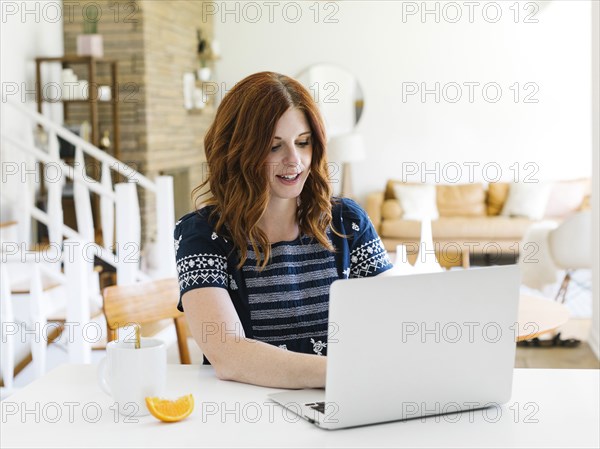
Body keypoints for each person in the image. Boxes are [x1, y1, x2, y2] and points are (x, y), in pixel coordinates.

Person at [174, 71, 392, 388]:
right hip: (248, 418)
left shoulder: (347, 220)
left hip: (340, 404)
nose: (294, 160)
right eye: (274, 147)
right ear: (238, 151)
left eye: (303, 143)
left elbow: (395, 315)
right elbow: (228, 354)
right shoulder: (201, 234)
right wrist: (347, 373)